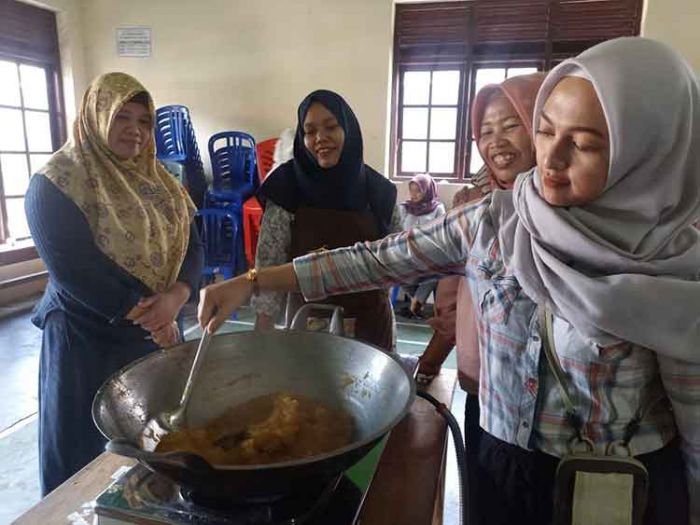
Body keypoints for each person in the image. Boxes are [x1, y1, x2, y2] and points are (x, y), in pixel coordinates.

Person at [199, 38, 700, 524]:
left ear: (649, 151)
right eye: (545, 131)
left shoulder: (673, 261)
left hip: (615, 486)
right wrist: (253, 281)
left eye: (585, 144)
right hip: (500, 458)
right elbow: (373, 260)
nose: (551, 160)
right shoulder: (492, 220)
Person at [25, 72, 203, 495]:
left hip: (146, 334)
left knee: (145, 442)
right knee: (80, 447)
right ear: (95, 115)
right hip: (83, 338)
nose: (135, 130)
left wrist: (177, 296)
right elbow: (75, 271)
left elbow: (193, 245)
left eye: (144, 120)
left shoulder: (160, 180)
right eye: (121, 116)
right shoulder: (56, 183)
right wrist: (152, 317)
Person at [419, 73, 545, 385]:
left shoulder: (570, 201)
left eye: (511, 125)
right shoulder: (471, 205)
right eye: (486, 131)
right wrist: (429, 365)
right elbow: (449, 298)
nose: (497, 142)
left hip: (552, 384)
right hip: (485, 373)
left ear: (543, 127)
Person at [252, 89, 398, 350]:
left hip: (370, 333)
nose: (320, 138)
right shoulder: (285, 189)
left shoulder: (380, 192)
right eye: (309, 131)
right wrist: (262, 338)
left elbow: (397, 263)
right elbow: (269, 263)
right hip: (306, 331)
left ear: (349, 130)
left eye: (331, 127)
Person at [397, 173, 446, 318]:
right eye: (411, 190)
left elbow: (441, 232)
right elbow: (398, 230)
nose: (414, 195)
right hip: (407, 251)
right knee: (398, 273)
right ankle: (416, 300)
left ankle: (418, 301)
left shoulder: (438, 208)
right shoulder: (404, 208)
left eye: (418, 190)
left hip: (429, 251)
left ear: (427, 191)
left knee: (437, 270)